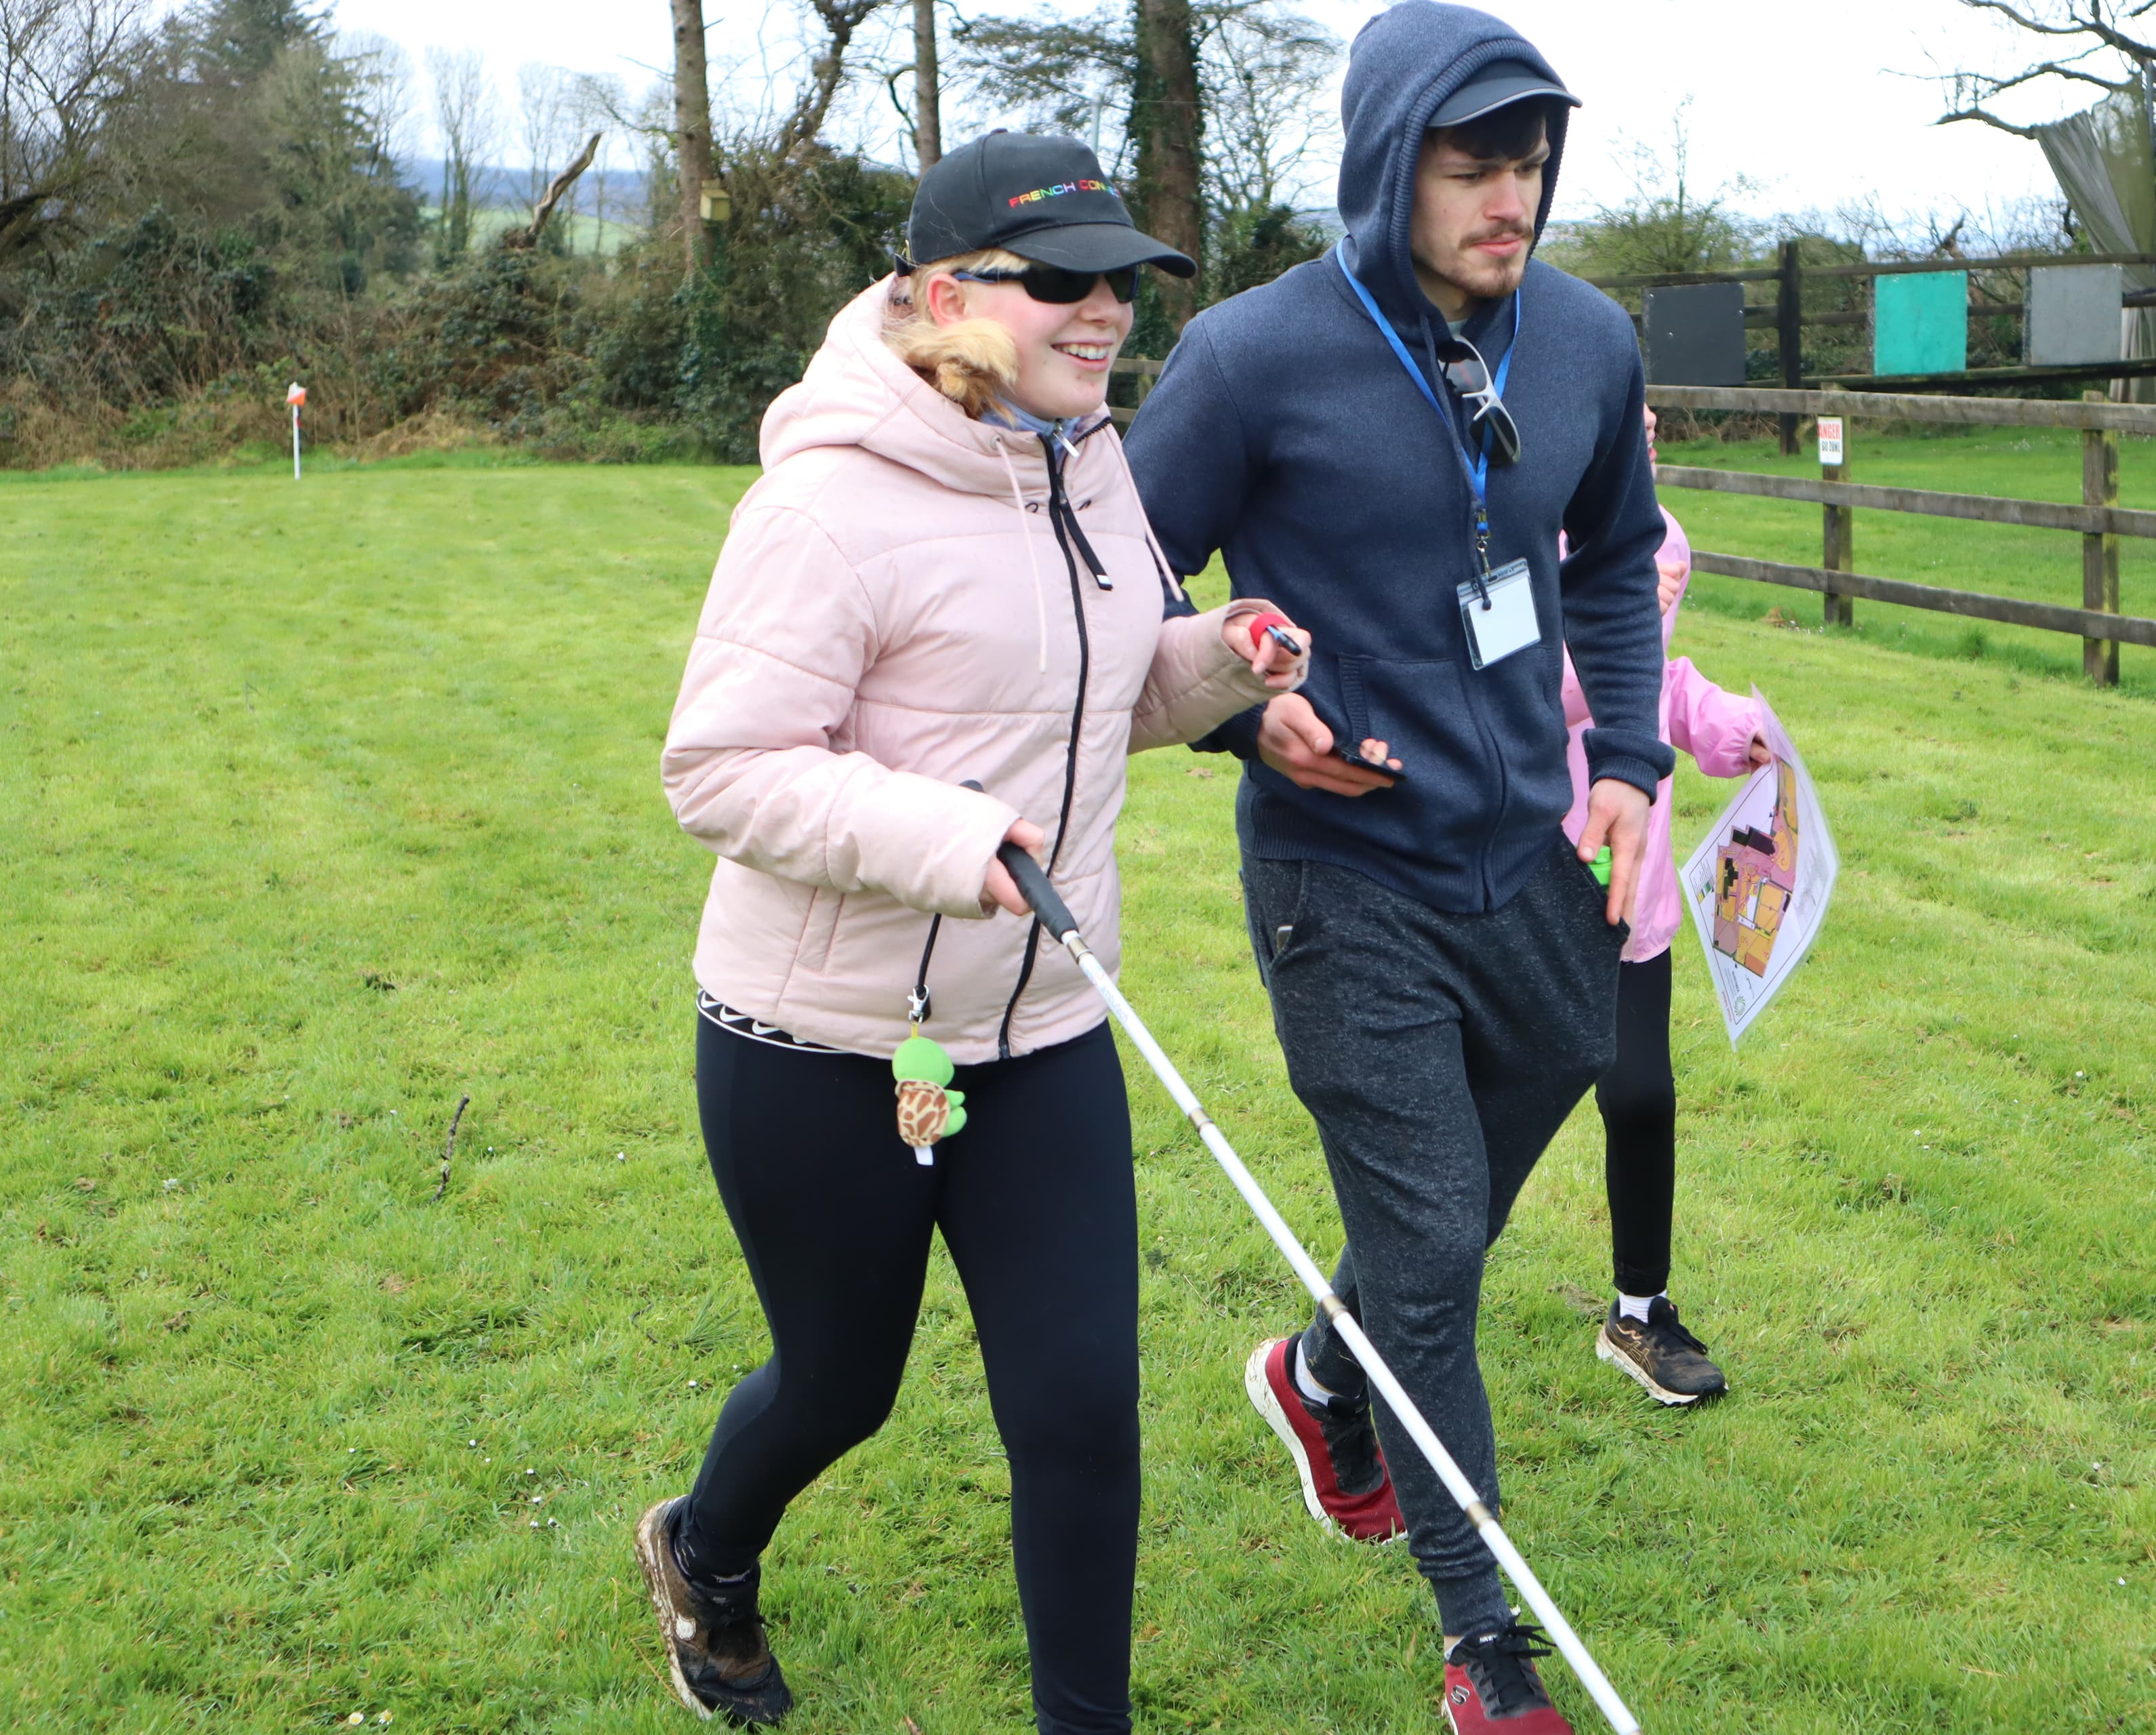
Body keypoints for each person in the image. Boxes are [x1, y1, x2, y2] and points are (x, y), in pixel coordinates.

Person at [638, 132, 1309, 1732]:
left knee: (1082, 1409)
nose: (1103, 315)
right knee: (840, 1383)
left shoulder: (1092, 460)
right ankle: (705, 1548)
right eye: (1059, 281)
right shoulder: (828, 499)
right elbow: (718, 767)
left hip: (1042, 1027)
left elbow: (1112, 688)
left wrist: (1226, 654)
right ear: (944, 295)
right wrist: (951, 836)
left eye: (1122, 285)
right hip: (831, 1045)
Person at [1123, 7, 1671, 1729]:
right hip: (1339, 868)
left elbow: (1614, 557)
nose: (1511, 200)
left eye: (1529, 166)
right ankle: (1484, 1639)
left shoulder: (1586, 340)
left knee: (1566, 1070)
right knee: (1429, 1239)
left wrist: (1636, 762)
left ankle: (1314, 1368)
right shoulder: (1250, 354)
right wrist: (1237, 721)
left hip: (1530, 850)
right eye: (1471, 165)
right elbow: (1124, 584)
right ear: (1386, 164)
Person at [1562, 409, 1773, 1406]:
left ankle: (1639, 1314)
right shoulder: (1499, 535)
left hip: (1631, 892)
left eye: (1642, 412)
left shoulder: (1664, 544)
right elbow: (1514, 686)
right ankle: (1380, 1328)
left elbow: (1653, 686)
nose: (1640, 426)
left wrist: (1732, 728)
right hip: (1517, 883)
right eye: (1615, 414)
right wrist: (1600, 620)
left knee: (1642, 1095)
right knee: (1465, 1128)